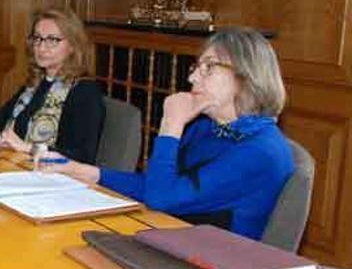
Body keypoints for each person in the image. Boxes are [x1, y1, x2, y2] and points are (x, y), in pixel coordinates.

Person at [46, 27, 293, 240]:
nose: (192, 77)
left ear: (247, 76)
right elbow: (160, 185)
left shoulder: (262, 152)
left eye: (209, 67)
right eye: (197, 66)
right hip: (175, 240)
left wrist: (171, 126)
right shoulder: (207, 127)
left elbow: (160, 198)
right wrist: (90, 173)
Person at [0, 8, 105, 164]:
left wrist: (26, 147)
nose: (42, 47)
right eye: (38, 39)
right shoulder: (37, 83)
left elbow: (81, 157)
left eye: (52, 40)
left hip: (54, 180)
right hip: (17, 166)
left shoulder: (84, 92)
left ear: (73, 46)